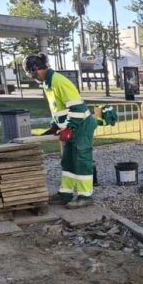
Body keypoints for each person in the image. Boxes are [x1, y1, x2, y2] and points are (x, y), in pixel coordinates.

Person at [24, 53, 97, 208]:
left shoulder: (59, 81)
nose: (33, 77)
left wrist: (70, 127)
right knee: (68, 160)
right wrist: (55, 125)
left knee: (81, 159)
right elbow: (58, 108)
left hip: (81, 125)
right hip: (72, 125)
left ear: (36, 68)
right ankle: (65, 193)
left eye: (32, 73)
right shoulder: (47, 83)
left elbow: (76, 107)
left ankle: (85, 196)